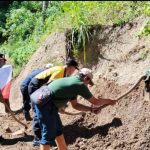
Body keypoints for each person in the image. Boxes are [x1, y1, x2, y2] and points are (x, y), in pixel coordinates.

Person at [30, 68, 117, 150]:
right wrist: (109, 101)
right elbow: (95, 102)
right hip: (45, 104)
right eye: (88, 82)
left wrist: (90, 110)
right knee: (48, 133)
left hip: (47, 103)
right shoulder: (80, 85)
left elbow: (75, 105)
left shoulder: (73, 82)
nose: (88, 85)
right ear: (86, 78)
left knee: (58, 130)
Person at [28, 58, 79, 146]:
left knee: (45, 110)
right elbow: (49, 86)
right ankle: (37, 139)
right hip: (36, 87)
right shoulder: (59, 71)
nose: (73, 72)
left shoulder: (62, 72)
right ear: (70, 67)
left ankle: (46, 135)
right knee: (38, 112)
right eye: (74, 69)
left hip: (41, 88)